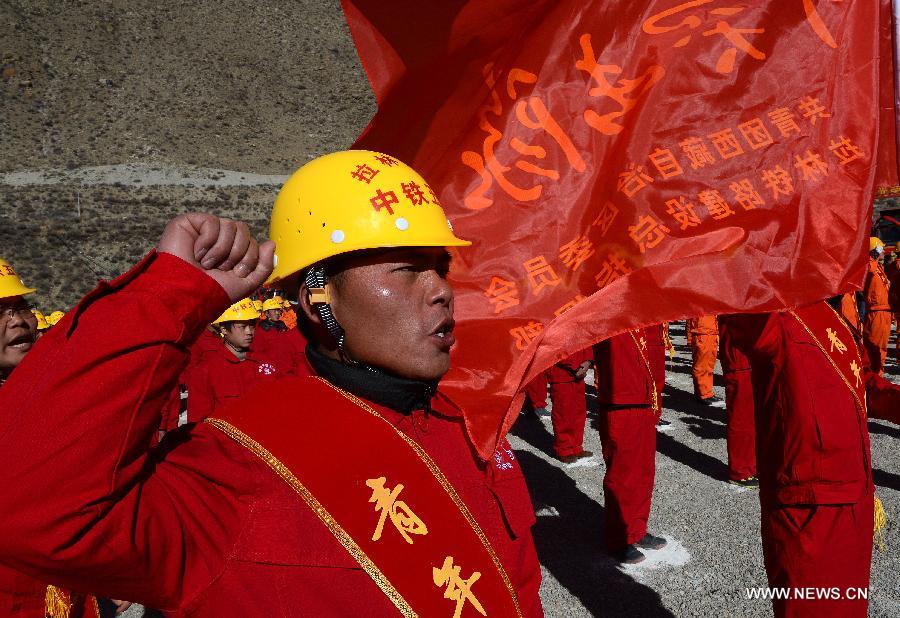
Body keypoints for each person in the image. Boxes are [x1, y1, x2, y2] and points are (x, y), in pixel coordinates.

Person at [0, 151, 542, 617]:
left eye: (440, 267)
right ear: (319, 302)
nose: (441, 291)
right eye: (405, 268)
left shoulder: (462, 423)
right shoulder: (239, 468)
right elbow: (31, 508)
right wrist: (171, 295)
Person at [724, 300, 900, 618]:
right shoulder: (770, 315)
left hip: (855, 495)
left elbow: (864, 383)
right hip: (807, 505)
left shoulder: (834, 316)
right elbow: (739, 301)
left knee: (849, 607)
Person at [0, 258, 100, 618]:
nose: (16, 320)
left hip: (67, 587)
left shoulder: (54, 392)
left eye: (21, 307)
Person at [593, 327, 667, 564]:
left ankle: (636, 528)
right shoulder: (607, 297)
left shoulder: (646, 308)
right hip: (620, 399)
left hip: (646, 397)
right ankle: (619, 538)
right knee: (622, 474)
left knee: (644, 471)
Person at [185, 298, 294, 422]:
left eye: (252, 325)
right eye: (242, 327)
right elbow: (198, 426)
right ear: (224, 329)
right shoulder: (205, 372)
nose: (249, 332)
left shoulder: (266, 362)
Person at [717, 320, 757, 488]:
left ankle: (751, 464)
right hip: (739, 361)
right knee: (742, 419)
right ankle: (740, 471)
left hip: (746, 359)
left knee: (752, 418)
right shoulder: (734, 299)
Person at [544, 351, 593, 463]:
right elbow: (556, 347)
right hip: (561, 373)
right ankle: (563, 449)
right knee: (563, 414)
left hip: (578, 373)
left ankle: (576, 447)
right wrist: (576, 365)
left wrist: (588, 361)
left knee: (579, 412)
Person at [863, 238, 891, 374]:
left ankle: (879, 375)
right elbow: (866, 270)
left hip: (885, 311)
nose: (884, 251)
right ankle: (874, 378)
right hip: (876, 312)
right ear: (875, 250)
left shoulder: (878, 266)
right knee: (874, 348)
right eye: (881, 249)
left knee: (882, 349)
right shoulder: (869, 264)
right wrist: (871, 254)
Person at [688, 315, 722, 405]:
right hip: (702, 332)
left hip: (711, 331)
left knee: (709, 365)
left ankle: (707, 392)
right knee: (702, 365)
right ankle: (702, 394)